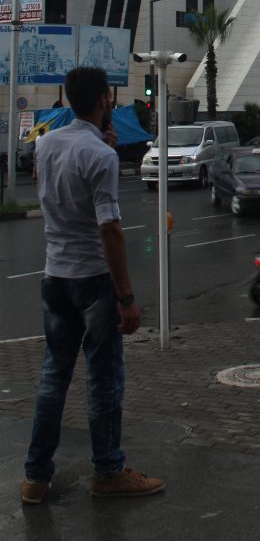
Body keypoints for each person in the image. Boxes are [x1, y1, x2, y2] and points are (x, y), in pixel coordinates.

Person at [21, 67, 165, 505]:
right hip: (93, 280)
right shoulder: (101, 157)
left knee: (54, 376)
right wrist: (126, 296)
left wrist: (102, 146)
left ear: (68, 98)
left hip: (55, 276)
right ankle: (108, 471)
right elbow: (109, 229)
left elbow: (61, 186)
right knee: (104, 379)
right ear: (104, 99)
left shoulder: (46, 144)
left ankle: (35, 477)